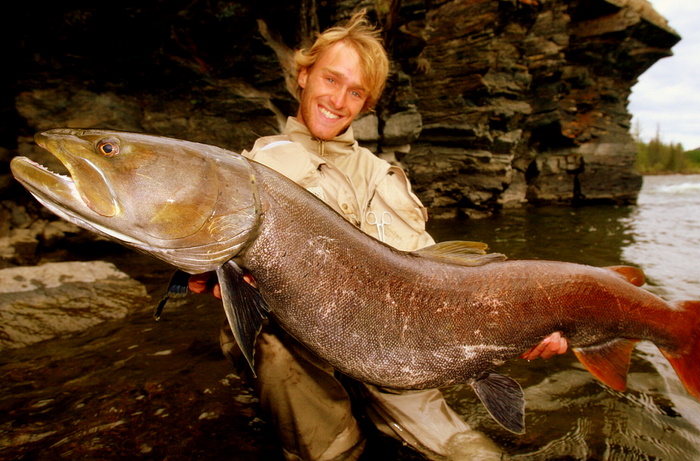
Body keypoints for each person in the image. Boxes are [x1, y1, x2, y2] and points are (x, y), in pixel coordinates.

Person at [190, 11, 568, 461]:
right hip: (300, 355)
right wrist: (206, 273)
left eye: (356, 92)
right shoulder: (249, 172)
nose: (338, 100)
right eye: (331, 79)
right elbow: (195, 252)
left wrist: (528, 324)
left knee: (477, 457)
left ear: (366, 105)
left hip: (395, 355)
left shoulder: (383, 176)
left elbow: (438, 280)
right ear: (304, 74)